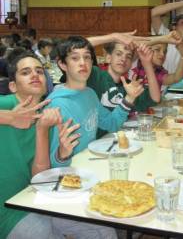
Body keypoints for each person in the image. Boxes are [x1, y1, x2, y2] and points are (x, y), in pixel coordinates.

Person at [0, 51, 117, 238]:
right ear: (13, 86)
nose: (34, 75)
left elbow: (39, 176)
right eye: (26, 72)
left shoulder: (51, 115)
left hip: (33, 197)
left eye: (39, 71)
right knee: (42, 232)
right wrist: (11, 117)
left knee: (102, 230)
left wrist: (57, 149)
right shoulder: (6, 103)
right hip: (6, 206)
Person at [47, 36, 144, 167]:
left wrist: (130, 98)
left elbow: (112, 124)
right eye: (75, 58)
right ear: (63, 64)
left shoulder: (90, 94)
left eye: (87, 57)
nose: (83, 63)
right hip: (71, 175)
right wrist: (62, 155)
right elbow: (52, 163)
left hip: (91, 165)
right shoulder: (56, 105)